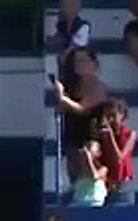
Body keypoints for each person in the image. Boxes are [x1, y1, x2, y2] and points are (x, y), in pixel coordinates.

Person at [53, 48, 107, 184]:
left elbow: (82, 108)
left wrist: (62, 98)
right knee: (74, 175)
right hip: (72, 134)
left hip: (91, 134)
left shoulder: (98, 87)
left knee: (88, 169)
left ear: (94, 64)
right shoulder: (73, 86)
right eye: (76, 61)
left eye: (83, 60)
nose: (79, 64)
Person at [98, 98, 137, 205]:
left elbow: (119, 158)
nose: (110, 120)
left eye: (113, 116)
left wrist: (110, 136)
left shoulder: (129, 134)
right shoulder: (100, 135)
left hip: (122, 184)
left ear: (122, 115)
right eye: (107, 117)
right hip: (106, 185)